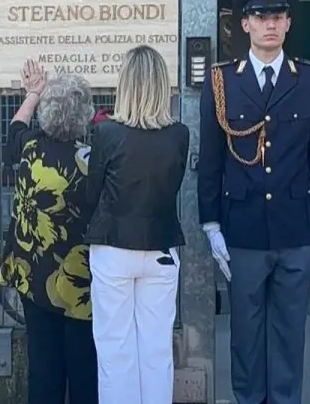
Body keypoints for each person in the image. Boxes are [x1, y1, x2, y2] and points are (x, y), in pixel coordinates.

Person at [198, 0, 310, 404]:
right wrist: (210, 224)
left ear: (289, 22)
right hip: (241, 231)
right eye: (260, 17)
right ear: (244, 25)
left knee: (288, 335)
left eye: (277, 16)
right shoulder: (222, 82)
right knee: (245, 333)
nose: (269, 25)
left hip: (295, 231)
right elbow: (211, 159)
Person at [86, 45, 189, 404]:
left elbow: (91, 193)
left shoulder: (106, 134)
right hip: (161, 247)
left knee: (116, 354)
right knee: (157, 352)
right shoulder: (179, 134)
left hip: (113, 247)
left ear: (125, 85)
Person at [0, 60, 98, 404]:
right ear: (85, 115)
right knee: (85, 366)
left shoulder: (28, 149)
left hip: (35, 277)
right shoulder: (92, 161)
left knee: (43, 366)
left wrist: (33, 93)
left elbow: (14, 128)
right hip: (79, 282)